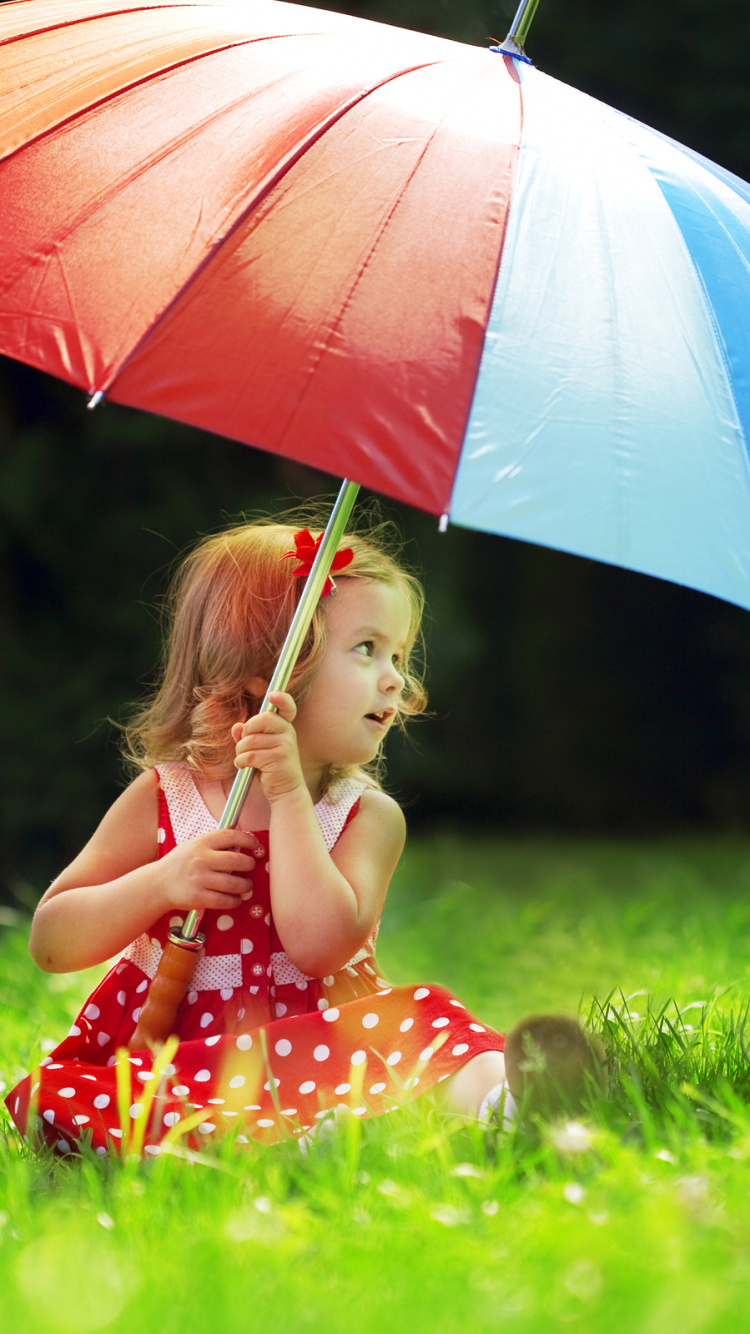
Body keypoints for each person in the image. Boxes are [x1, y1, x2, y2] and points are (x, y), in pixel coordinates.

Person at [5, 512, 596, 1157]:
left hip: (326, 1051)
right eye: (367, 649)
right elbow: (53, 942)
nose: (395, 676)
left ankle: (506, 1103)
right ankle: (255, 1145)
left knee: (426, 1020)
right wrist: (161, 882)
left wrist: (288, 796)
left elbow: (319, 948)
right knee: (65, 1095)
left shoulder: (364, 815)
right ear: (268, 671)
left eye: (398, 654)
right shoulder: (165, 798)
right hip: (183, 1065)